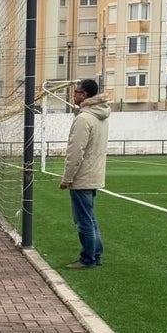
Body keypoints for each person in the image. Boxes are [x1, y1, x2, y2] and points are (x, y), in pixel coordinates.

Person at [59, 78, 111, 269]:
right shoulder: (101, 116)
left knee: (83, 221)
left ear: (85, 95)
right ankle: (96, 255)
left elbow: (76, 151)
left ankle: (88, 258)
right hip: (94, 174)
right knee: (90, 217)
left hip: (82, 176)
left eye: (77, 92)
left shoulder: (83, 118)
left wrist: (67, 178)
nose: (74, 95)